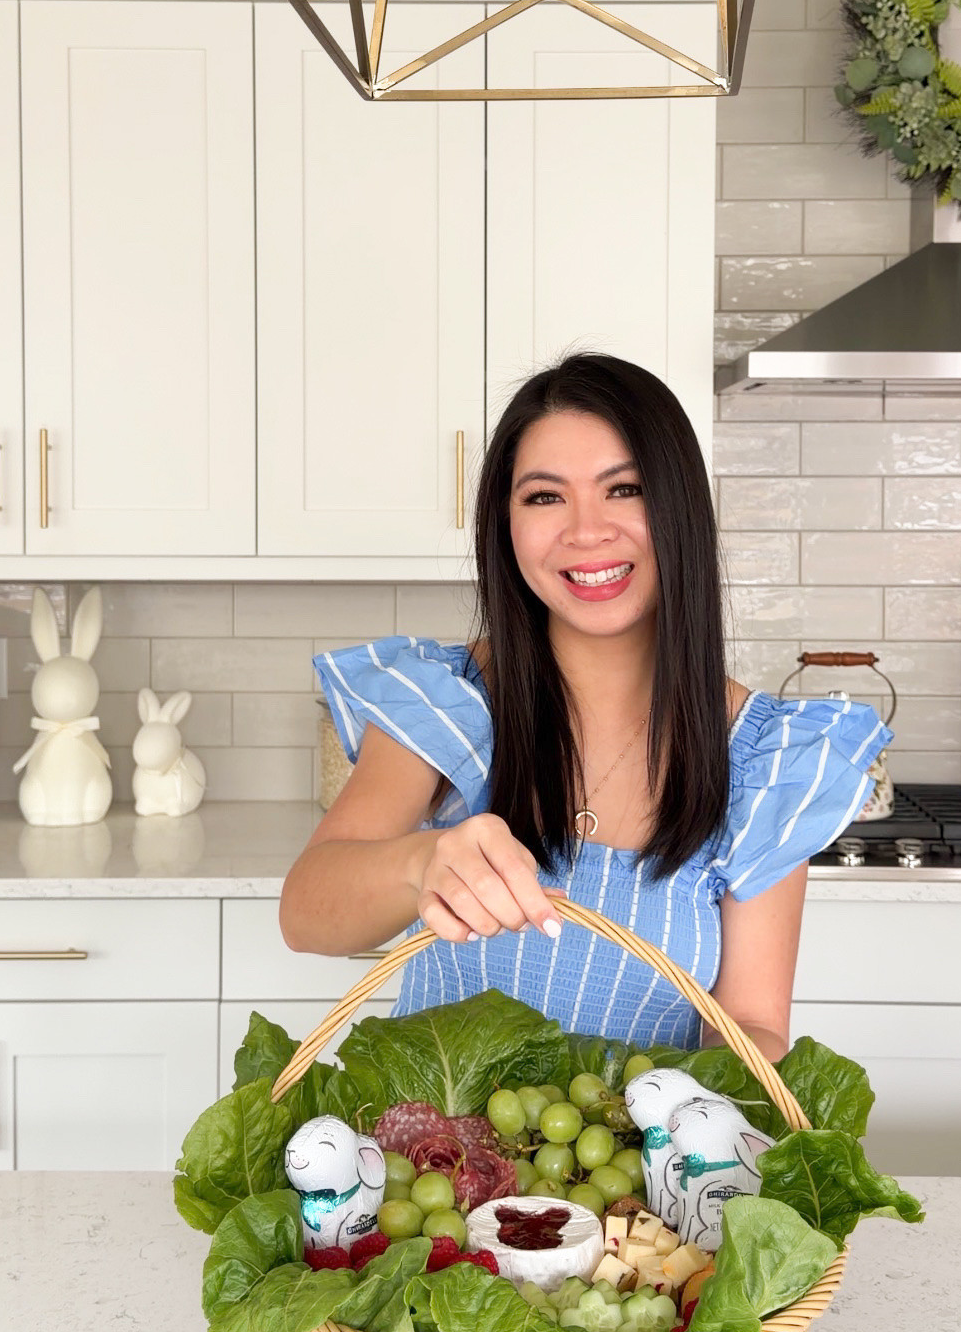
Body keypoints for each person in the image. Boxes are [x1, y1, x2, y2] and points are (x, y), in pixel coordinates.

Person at [280, 353, 891, 1060]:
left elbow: (752, 1021)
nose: (586, 531)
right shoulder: (450, 698)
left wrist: (689, 1101)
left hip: (640, 1134)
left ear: (679, 509)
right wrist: (422, 863)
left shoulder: (765, 762)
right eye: (545, 497)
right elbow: (305, 914)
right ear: (505, 525)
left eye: (624, 489)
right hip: (439, 1134)